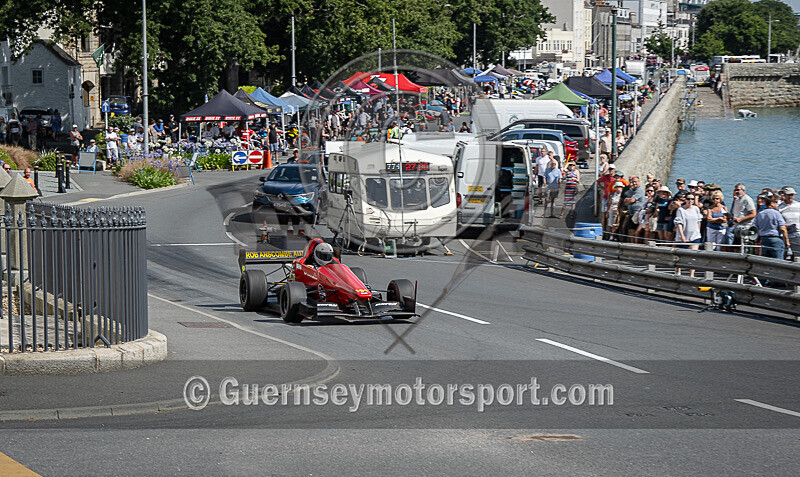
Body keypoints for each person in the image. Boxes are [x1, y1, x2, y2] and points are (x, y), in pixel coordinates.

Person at [674, 193, 703, 276]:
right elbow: (679, 223)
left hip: (695, 235)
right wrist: (682, 235)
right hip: (683, 235)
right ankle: (678, 271)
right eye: (688, 199)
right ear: (685, 200)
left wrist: (698, 231)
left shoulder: (696, 209)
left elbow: (699, 220)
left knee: (693, 256)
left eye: (692, 199)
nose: (690, 201)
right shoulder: (681, 210)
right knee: (681, 256)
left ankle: (692, 274)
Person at [754, 193, 790, 260]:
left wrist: (756, 241)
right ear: (771, 203)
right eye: (775, 202)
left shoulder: (760, 214)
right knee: (778, 259)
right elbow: (782, 228)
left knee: (766, 259)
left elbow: (755, 228)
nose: (777, 204)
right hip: (775, 239)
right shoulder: (776, 213)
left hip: (764, 239)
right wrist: (787, 240)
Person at [778, 186, 800, 255]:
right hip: (785, 235)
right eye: (788, 195)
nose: (790, 196)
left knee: (797, 254)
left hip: (797, 234)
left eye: (792, 195)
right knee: (785, 255)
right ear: (784, 195)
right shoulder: (779, 207)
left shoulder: (798, 205)